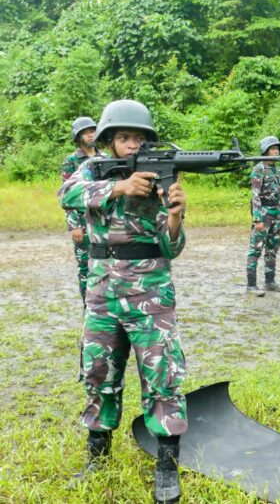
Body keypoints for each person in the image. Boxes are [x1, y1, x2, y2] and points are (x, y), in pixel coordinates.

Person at [58, 100, 187, 503]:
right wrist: (120, 186)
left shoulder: (161, 174)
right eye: (123, 138)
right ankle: (98, 455)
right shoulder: (90, 170)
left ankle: (166, 466)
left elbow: (172, 247)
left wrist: (176, 217)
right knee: (97, 372)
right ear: (109, 142)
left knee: (163, 375)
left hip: (150, 291)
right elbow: (67, 194)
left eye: (138, 138)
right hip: (102, 293)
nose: (131, 145)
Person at [60, 116, 103, 308]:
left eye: (92, 130)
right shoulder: (71, 161)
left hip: (102, 220)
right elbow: (67, 196)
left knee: (104, 263)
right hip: (82, 222)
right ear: (78, 137)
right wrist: (74, 226)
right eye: (85, 132)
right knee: (86, 266)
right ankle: (89, 307)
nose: (90, 134)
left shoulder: (105, 158)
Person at [246, 135, 280, 294]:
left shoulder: (278, 171)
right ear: (265, 151)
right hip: (263, 214)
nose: (276, 151)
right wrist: (257, 219)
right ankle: (251, 285)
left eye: (277, 148)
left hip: (276, 214)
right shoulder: (258, 169)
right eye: (272, 148)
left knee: (272, 250)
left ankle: (270, 282)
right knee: (256, 249)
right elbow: (255, 195)